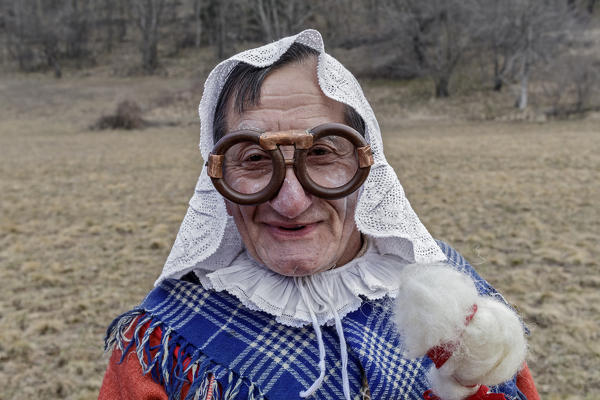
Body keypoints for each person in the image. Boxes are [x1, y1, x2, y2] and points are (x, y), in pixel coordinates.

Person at [99, 30, 539, 400]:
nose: (291, 201)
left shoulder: (447, 291)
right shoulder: (166, 346)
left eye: (323, 153)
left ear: (367, 166)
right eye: (253, 158)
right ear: (216, 178)